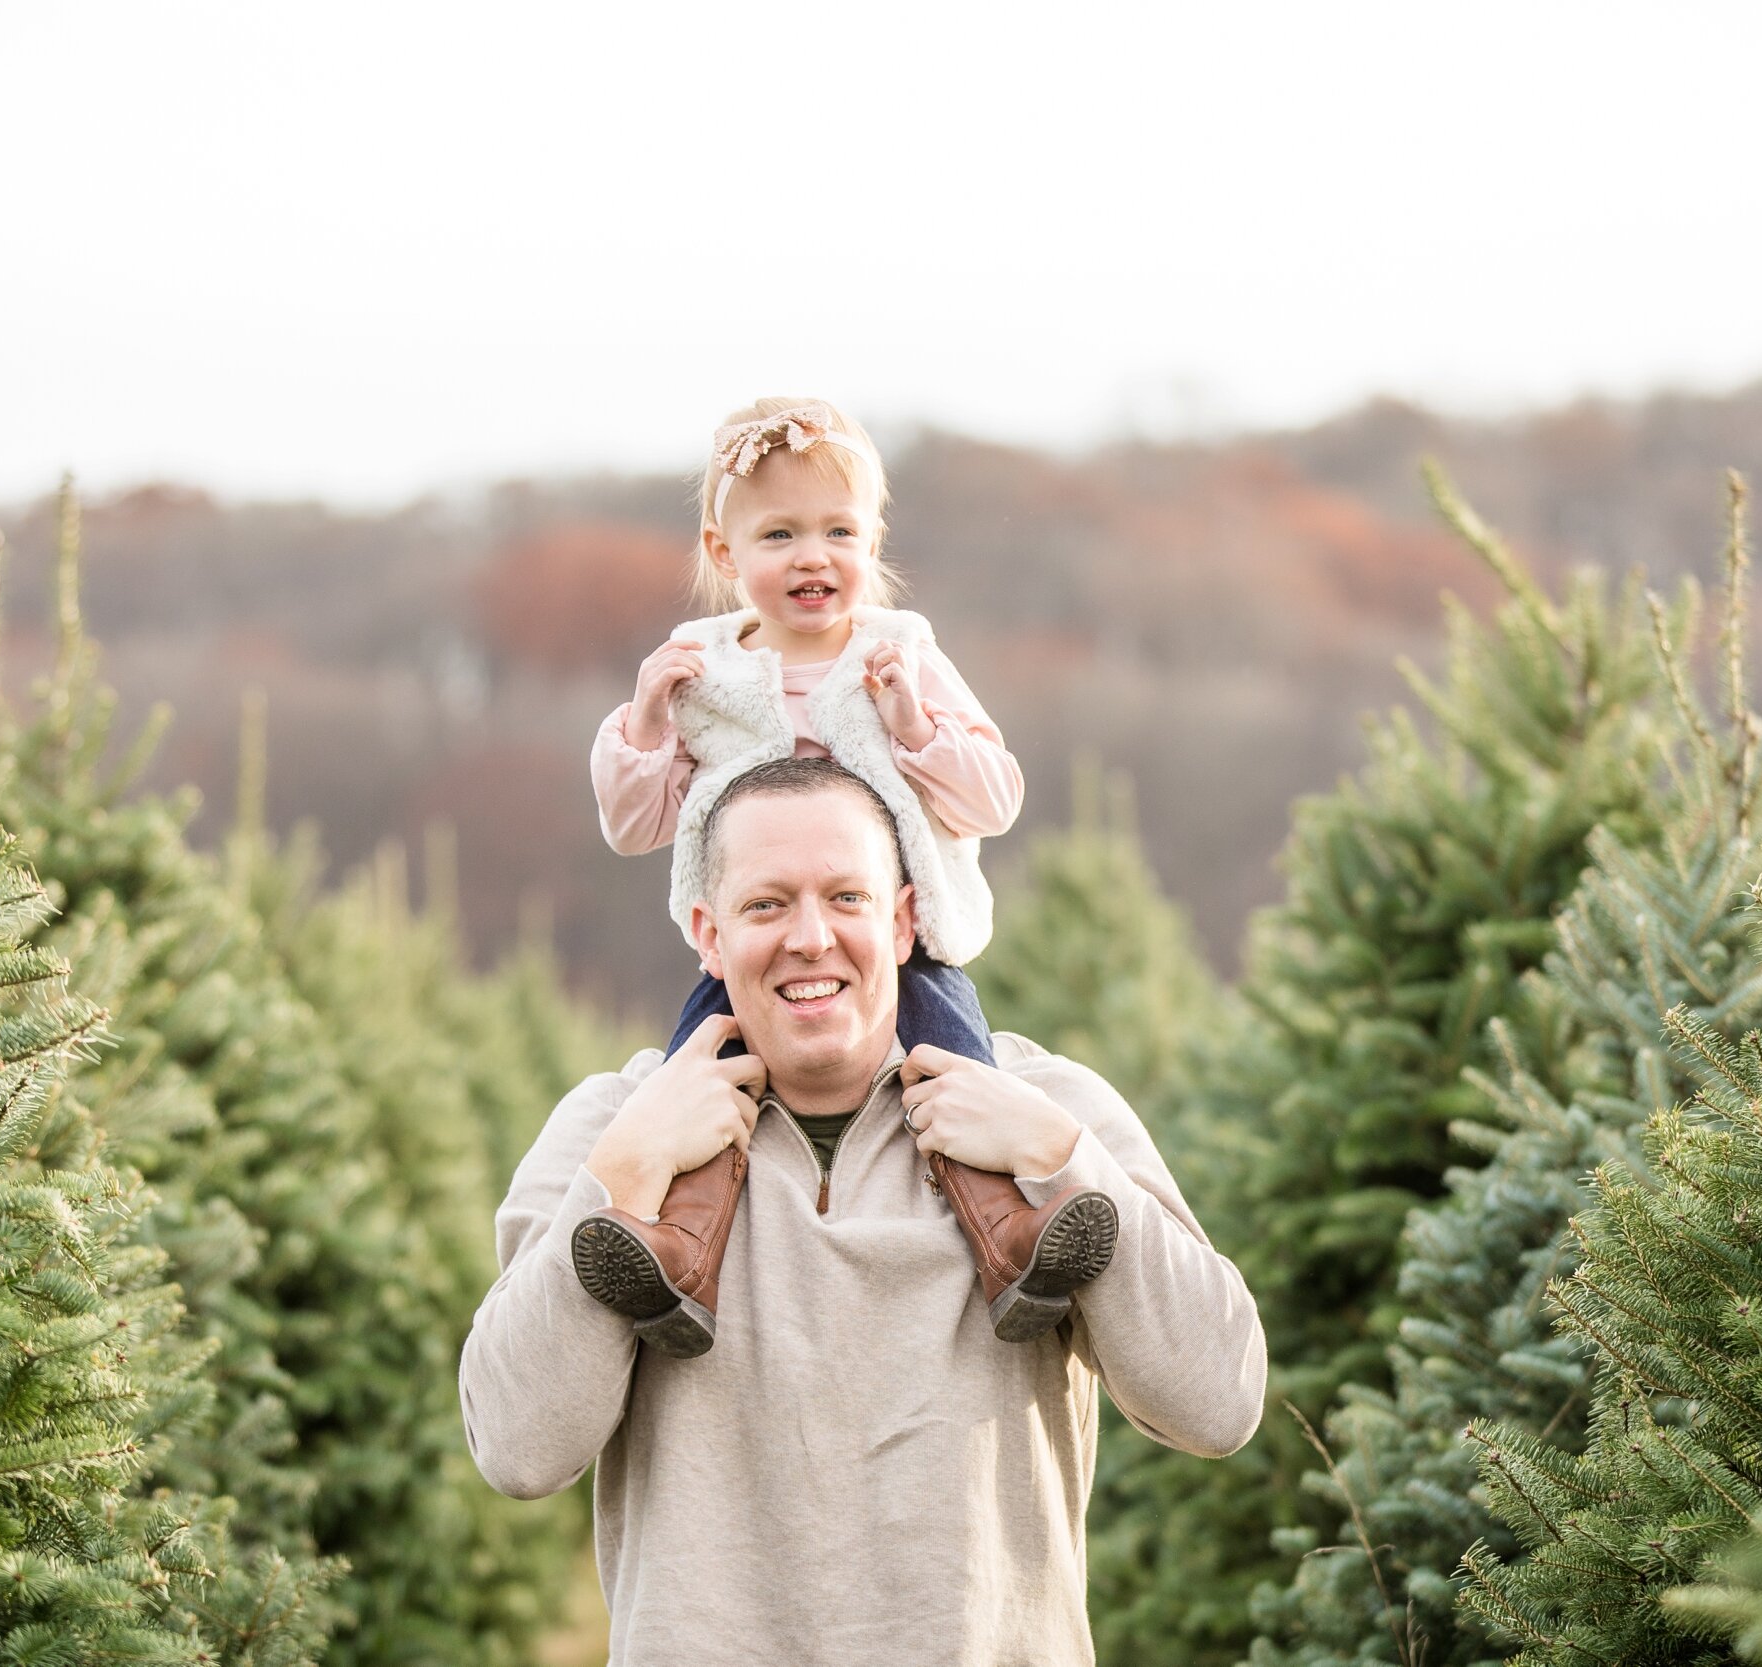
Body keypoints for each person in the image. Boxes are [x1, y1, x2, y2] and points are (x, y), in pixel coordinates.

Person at [459, 756, 1267, 1665]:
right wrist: (621, 1175)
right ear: (708, 934)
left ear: (905, 917)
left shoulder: (1044, 1105)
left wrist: (1066, 1160)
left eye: (847, 897)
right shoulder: (612, 1126)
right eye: (767, 905)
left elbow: (1220, 1400)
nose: (811, 938)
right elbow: (518, 1447)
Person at [584, 397, 1110, 1354]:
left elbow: (994, 798)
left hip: (899, 945)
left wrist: (914, 726)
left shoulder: (900, 654)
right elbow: (632, 825)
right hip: (754, 957)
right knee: (696, 1086)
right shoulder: (699, 669)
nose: (812, 557)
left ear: (874, 540)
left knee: (957, 1077)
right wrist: (646, 726)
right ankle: (677, 1261)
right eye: (778, 534)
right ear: (723, 548)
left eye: (839, 532)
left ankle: (1012, 1245)